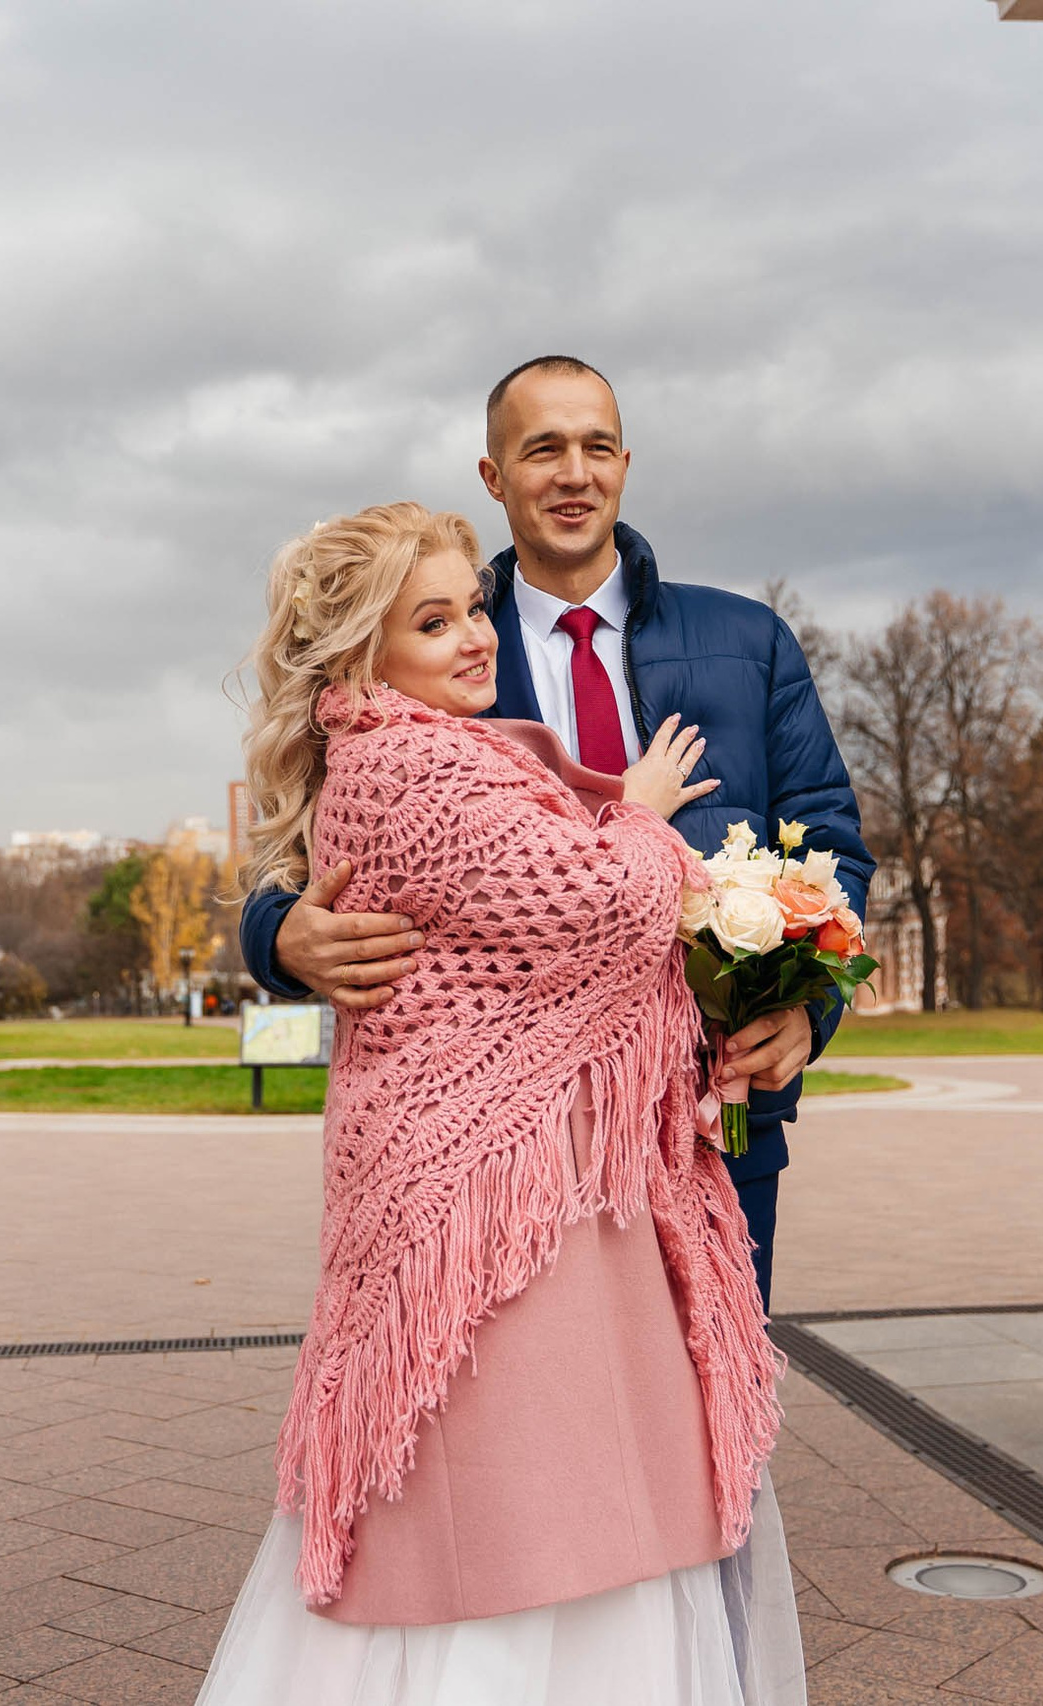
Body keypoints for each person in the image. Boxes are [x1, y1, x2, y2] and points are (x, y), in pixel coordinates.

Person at [198, 503, 801, 1705]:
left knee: (593, 1480)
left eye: (469, 607)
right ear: (362, 653)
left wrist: (775, 988)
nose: (472, 635)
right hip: (497, 1201)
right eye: (433, 621)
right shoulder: (408, 761)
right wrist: (637, 811)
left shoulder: (471, 734)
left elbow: (659, 902)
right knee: (519, 1496)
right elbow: (593, 900)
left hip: (577, 1182)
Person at [243, 356, 872, 1309]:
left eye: (596, 447)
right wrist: (279, 936)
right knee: (546, 1424)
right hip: (521, 1131)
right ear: (494, 476)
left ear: (625, 463)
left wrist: (808, 1012)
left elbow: (831, 847)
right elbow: (314, 827)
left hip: (712, 1109)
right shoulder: (429, 639)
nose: (574, 473)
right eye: (543, 449)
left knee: (718, 1426)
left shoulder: (751, 644)